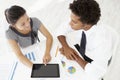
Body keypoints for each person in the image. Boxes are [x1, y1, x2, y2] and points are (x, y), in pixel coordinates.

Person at [57, 0, 119, 80]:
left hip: (93, 62)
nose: (69, 23)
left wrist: (75, 56)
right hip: (82, 53)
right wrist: (66, 48)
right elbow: (61, 30)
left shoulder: (102, 41)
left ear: (86, 24)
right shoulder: (80, 19)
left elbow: (97, 72)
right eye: (71, 19)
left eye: (74, 22)